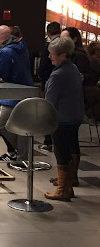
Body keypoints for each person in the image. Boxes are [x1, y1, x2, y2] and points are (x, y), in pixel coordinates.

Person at [44, 36, 84, 201]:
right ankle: (68, 185)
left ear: (63, 55)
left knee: (61, 153)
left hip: (61, 119)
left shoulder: (58, 75)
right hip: (75, 116)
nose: (49, 57)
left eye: (52, 54)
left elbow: (49, 102)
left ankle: (62, 190)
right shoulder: (73, 69)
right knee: (68, 151)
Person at [0, 24, 34, 163]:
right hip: (26, 92)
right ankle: (22, 156)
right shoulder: (22, 48)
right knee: (21, 127)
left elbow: (2, 75)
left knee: (2, 125)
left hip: (11, 95)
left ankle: (21, 154)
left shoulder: (5, 52)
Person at [37, 21, 61, 151]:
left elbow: (43, 67)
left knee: (48, 111)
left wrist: (41, 77)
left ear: (48, 32)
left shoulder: (49, 47)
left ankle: (48, 141)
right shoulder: (66, 46)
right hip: (62, 87)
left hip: (49, 82)